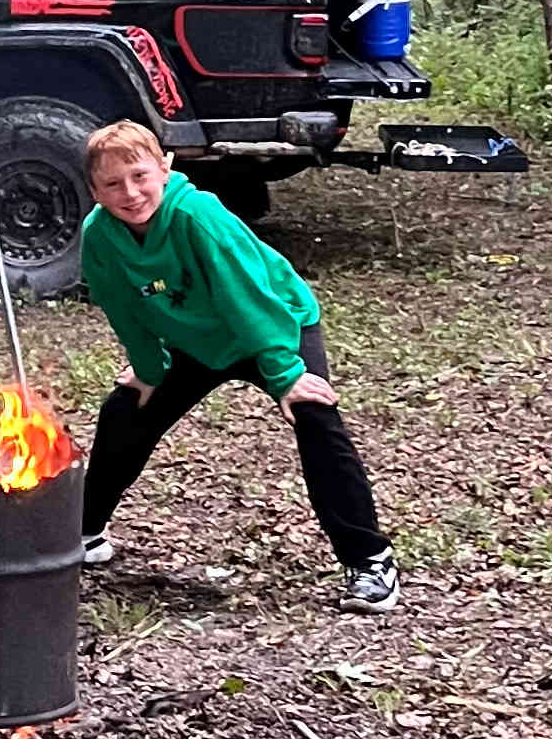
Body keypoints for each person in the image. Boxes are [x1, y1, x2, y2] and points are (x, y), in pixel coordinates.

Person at [72, 117, 398, 609]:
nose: (131, 192)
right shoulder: (99, 236)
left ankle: (370, 561)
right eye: (113, 184)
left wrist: (287, 375)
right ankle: (84, 532)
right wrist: (148, 368)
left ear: (165, 168)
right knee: (125, 409)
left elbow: (247, 296)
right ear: (95, 191)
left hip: (273, 324)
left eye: (140, 175)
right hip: (197, 341)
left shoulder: (198, 215)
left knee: (313, 411)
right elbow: (124, 306)